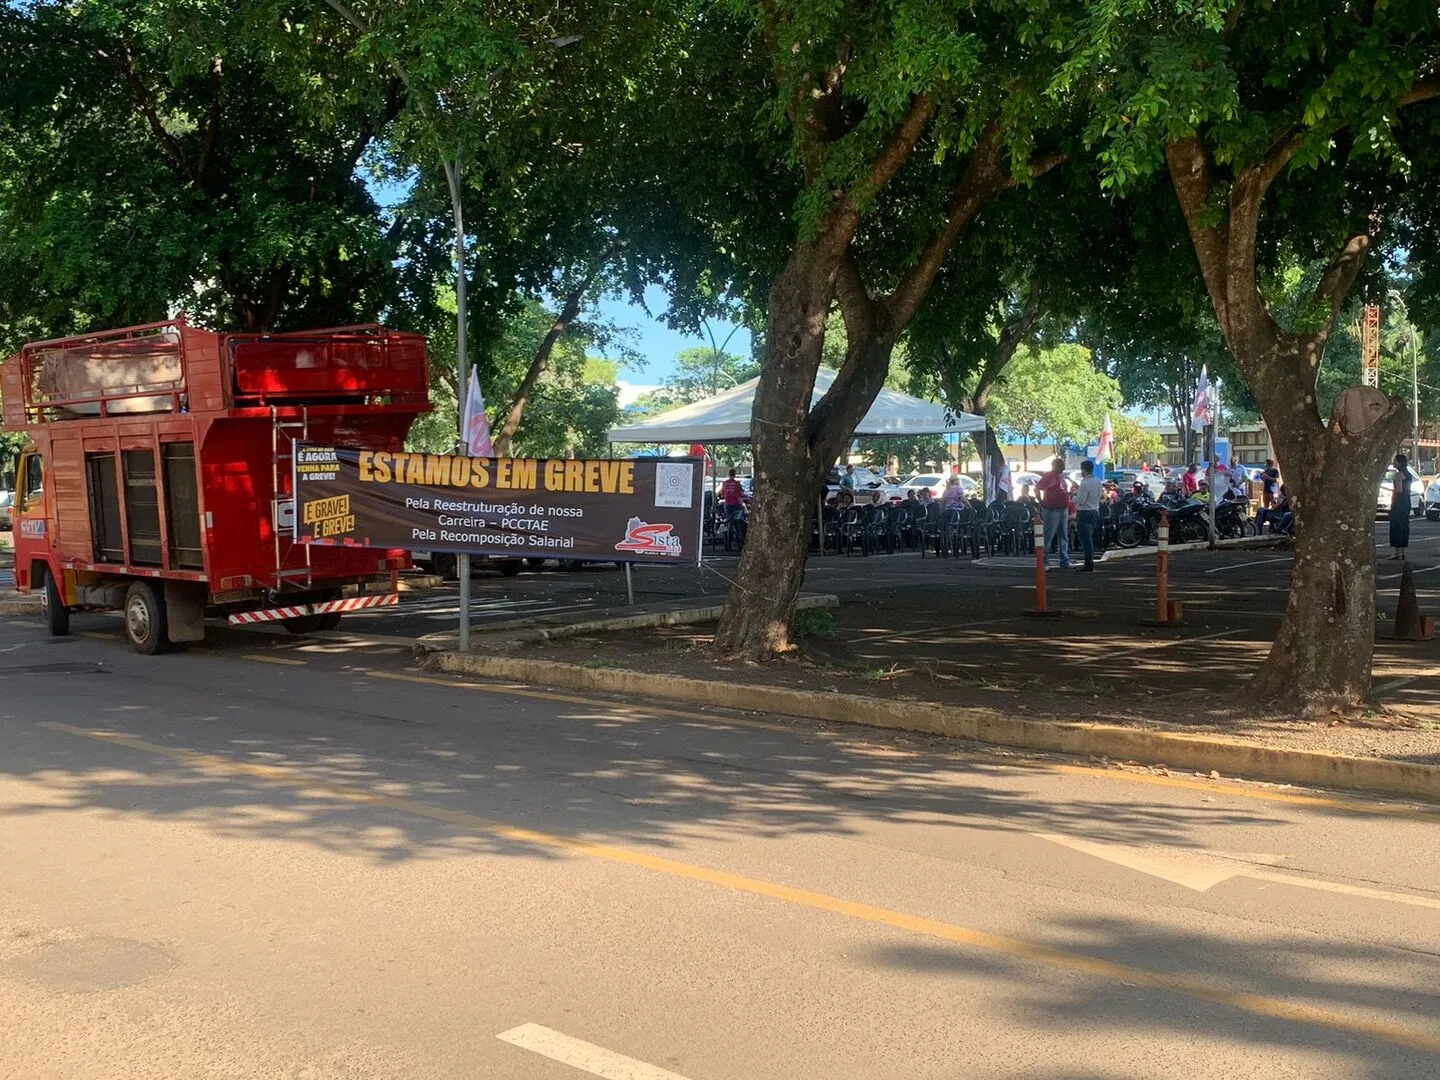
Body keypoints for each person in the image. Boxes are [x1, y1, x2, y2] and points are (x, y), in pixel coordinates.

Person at [1036, 457, 1072, 570]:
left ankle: (1064, 560)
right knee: (1048, 536)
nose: (1063, 466)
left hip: (1063, 508)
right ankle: (1044, 562)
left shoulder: (1062, 477)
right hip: (1052, 509)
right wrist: (1041, 502)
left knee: (1063, 536)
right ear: (1055, 466)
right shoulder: (1048, 476)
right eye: (1061, 464)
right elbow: (1037, 488)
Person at [1073, 460, 1102, 572]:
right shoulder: (1097, 481)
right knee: (1090, 537)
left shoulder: (1085, 483)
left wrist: (1073, 497)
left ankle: (1088, 563)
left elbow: (1081, 500)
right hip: (1095, 510)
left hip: (1084, 512)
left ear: (1084, 470)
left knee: (1085, 539)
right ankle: (1089, 561)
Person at [1389, 452, 1412, 559]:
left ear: (1399, 463)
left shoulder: (1398, 475)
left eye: (1395, 461)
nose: (1393, 462)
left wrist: (1392, 499)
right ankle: (1403, 552)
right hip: (1407, 501)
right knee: (1404, 525)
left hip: (1399, 502)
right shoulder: (1408, 474)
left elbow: (1398, 490)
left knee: (1396, 525)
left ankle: (1396, 552)